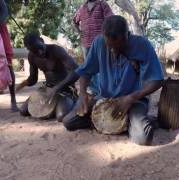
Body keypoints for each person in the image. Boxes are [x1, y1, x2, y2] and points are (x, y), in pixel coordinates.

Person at [63, 15, 164, 146]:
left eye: (118, 46)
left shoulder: (142, 45)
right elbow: (86, 71)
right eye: (109, 46)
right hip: (104, 99)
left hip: (134, 100)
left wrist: (131, 98)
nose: (113, 50)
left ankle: (142, 120)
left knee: (142, 138)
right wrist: (82, 93)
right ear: (103, 36)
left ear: (127, 35)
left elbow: (157, 80)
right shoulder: (99, 43)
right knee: (69, 122)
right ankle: (123, 122)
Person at [17, 33, 78, 122]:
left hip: (65, 90)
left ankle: (74, 100)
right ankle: (56, 107)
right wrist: (24, 83)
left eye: (40, 48)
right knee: (23, 111)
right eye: (35, 51)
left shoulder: (57, 50)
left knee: (61, 116)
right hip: (47, 90)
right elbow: (33, 79)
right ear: (30, 50)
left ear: (42, 41)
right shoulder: (32, 56)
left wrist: (57, 87)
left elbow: (76, 71)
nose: (40, 52)